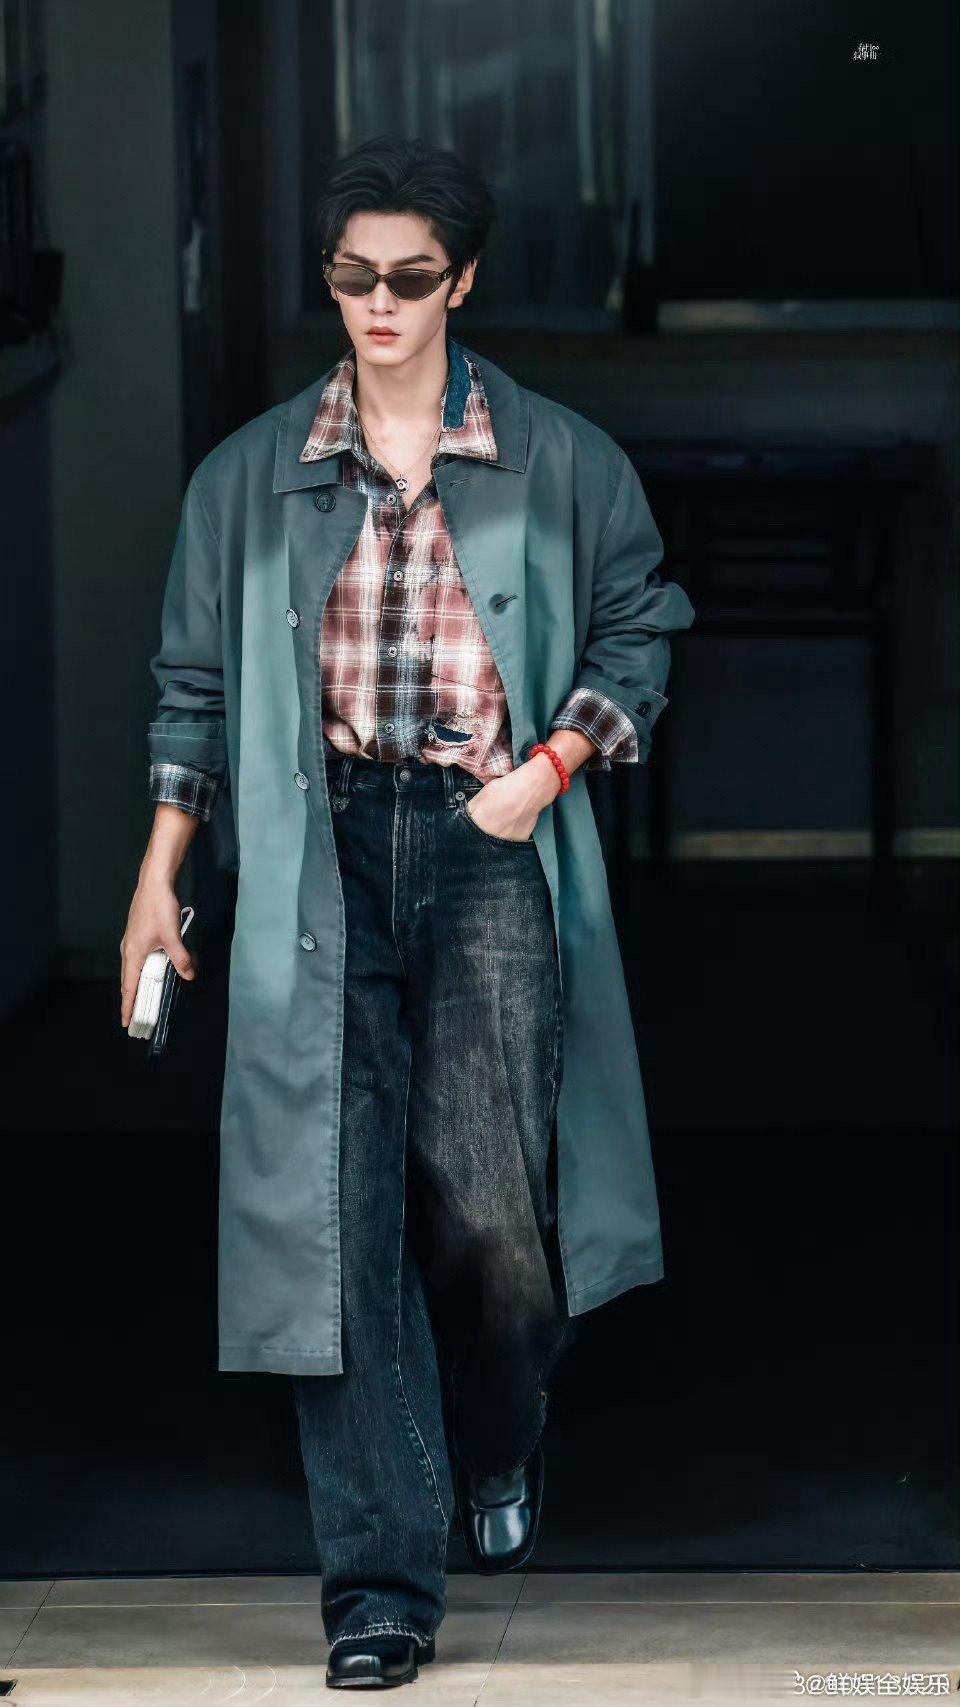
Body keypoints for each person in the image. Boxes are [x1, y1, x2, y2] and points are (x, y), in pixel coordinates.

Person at [121, 135, 696, 1691]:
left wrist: (546, 771)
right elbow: (192, 689)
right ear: (331, 281)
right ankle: (380, 1587)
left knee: (496, 1216)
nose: (380, 304)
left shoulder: (560, 457)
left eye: (411, 278)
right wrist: (160, 878)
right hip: (315, 854)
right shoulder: (248, 478)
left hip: (487, 839)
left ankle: (498, 1435)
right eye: (354, 277)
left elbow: (641, 630)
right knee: (338, 1219)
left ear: (464, 282)